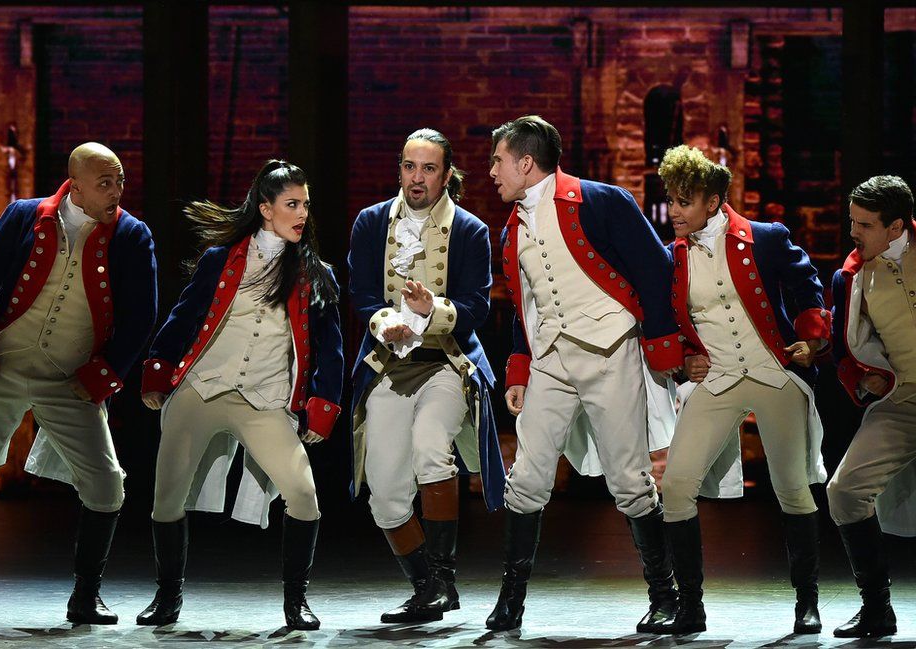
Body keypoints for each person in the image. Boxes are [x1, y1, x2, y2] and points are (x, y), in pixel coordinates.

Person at [0, 142, 157, 624]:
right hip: (3, 367)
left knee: (106, 486)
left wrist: (105, 374)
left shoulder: (132, 235)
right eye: (105, 183)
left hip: (70, 379)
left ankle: (86, 596)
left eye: (120, 180)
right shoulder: (24, 216)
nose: (116, 191)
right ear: (75, 185)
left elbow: (143, 316)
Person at [487, 115, 682, 632]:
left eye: (499, 161)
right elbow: (525, 305)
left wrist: (663, 344)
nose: (492, 172)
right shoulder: (512, 227)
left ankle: (664, 594)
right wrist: (520, 370)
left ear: (525, 163)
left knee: (629, 479)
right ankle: (511, 601)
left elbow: (655, 269)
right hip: (551, 358)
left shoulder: (601, 201)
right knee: (526, 477)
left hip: (610, 350)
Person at [135, 161, 342, 630]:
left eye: (305, 204)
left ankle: (296, 602)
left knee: (304, 495)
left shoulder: (314, 273)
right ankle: (167, 597)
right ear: (266, 210)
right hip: (202, 389)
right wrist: (158, 371)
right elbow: (183, 316)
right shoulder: (222, 259)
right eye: (292, 204)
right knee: (166, 497)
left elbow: (331, 348)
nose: (302, 213)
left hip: (264, 400)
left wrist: (321, 405)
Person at [657, 144, 830, 635]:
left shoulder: (765, 237)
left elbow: (806, 283)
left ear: (712, 202)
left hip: (773, 370)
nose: (674, 211)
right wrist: (682, 358)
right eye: (672, 199)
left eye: (684, 201)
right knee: (676, 485)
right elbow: (670, 318)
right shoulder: (674, 255)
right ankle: (690, 607)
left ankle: (807, 603)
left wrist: (811, 335)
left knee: (792, 487)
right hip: (720, 379)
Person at [348, 128, 504, 623]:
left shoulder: (470, 229)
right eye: (410, 167)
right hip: (389, 364)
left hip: (447, 362)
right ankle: (428, 585)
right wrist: (384, 321)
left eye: (429, 168)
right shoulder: (371, 223)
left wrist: (430, 309)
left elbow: (478, 306)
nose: (417, 178)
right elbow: (363, 294)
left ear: (446, 174)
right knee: (386, 491)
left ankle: (444, 578)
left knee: (430, 446)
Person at [827, 175, 916, 638]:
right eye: (852, 221)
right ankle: (877, 609)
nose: (854, 232)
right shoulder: (853, 275)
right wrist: (868, 375)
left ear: (896, 226)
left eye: (864, 224)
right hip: (904, 399)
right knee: (844, 490)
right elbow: (844, 349)